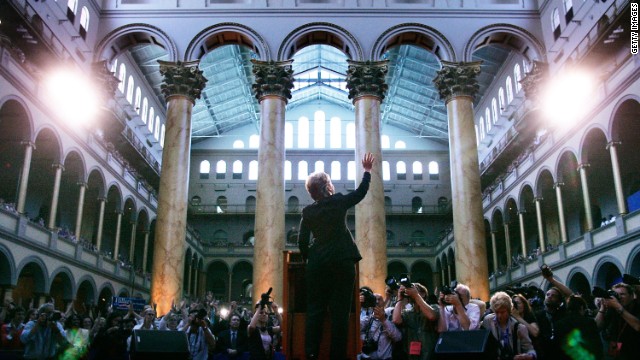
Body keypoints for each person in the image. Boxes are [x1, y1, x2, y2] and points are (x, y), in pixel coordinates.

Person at [298, 152, 374, 360]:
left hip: (317, 265)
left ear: (311, 192)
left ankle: (311, 354)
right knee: (340, 315)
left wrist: (309, 259)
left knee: (315, 312)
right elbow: (360, 193)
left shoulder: (307, 212)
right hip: (342, 262)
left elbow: (302, 242)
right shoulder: (338, 202)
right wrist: (367, 172)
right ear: (327, 186)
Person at [481, 291, 536, 360]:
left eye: (502, 312)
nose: (499, 315)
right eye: (497, 312)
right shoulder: (488, 321)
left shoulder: (519, 327)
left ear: (509, 310)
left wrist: (529, 356)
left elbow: (530, 349)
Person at [392, 283, 438, 360]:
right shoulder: (407, 312)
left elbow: (431, 316)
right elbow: (396, 320)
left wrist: (416, 295)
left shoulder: (434, 307)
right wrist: (399, 298)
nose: (410, 291)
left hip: (430, 354)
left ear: (423, 294)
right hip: (412, 355)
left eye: (413, 288)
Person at [594, 282, 640, 360]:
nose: (619, 297)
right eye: (616, 295)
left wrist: (618, 307)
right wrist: (602, 308)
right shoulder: (612, 310)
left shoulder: (637, 307)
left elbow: (638, 326)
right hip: (618, 352)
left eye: (622, 294)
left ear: (631, 296)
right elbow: (597, 327)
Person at [555, 295, 602, 360]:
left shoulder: (559, 324)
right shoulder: (589, 322)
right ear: (582, 307)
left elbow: (556, 348)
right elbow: (597, 346)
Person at [359, 292, 401, 360]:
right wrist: (366, 339)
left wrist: (383, 320)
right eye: (375, 300)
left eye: (379, 299)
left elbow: (398, 337)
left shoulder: (390, 315)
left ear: (384, 302)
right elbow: (356, 328)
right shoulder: (368, 318)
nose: (377, 302)